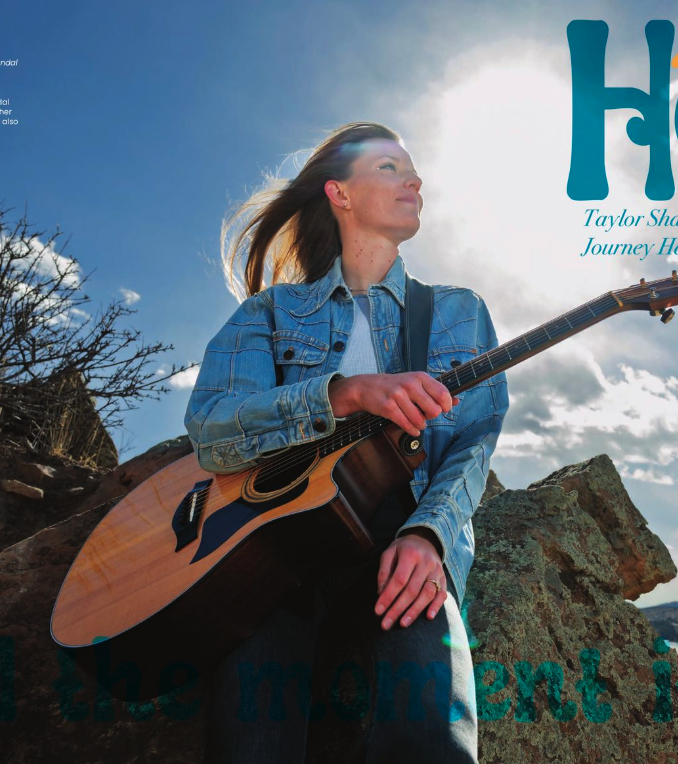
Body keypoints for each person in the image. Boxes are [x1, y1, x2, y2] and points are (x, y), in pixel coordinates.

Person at [183, 121, 509, 763]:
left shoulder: (456, 310)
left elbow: (474, 440)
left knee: (433, 742)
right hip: (272, 555)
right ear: (338, 192)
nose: (413, 180)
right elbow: (213, 429)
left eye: (414, 169)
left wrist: (430, 537)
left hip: (401, 546)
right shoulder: (270, 313)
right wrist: (345, 393)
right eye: (389, 167)